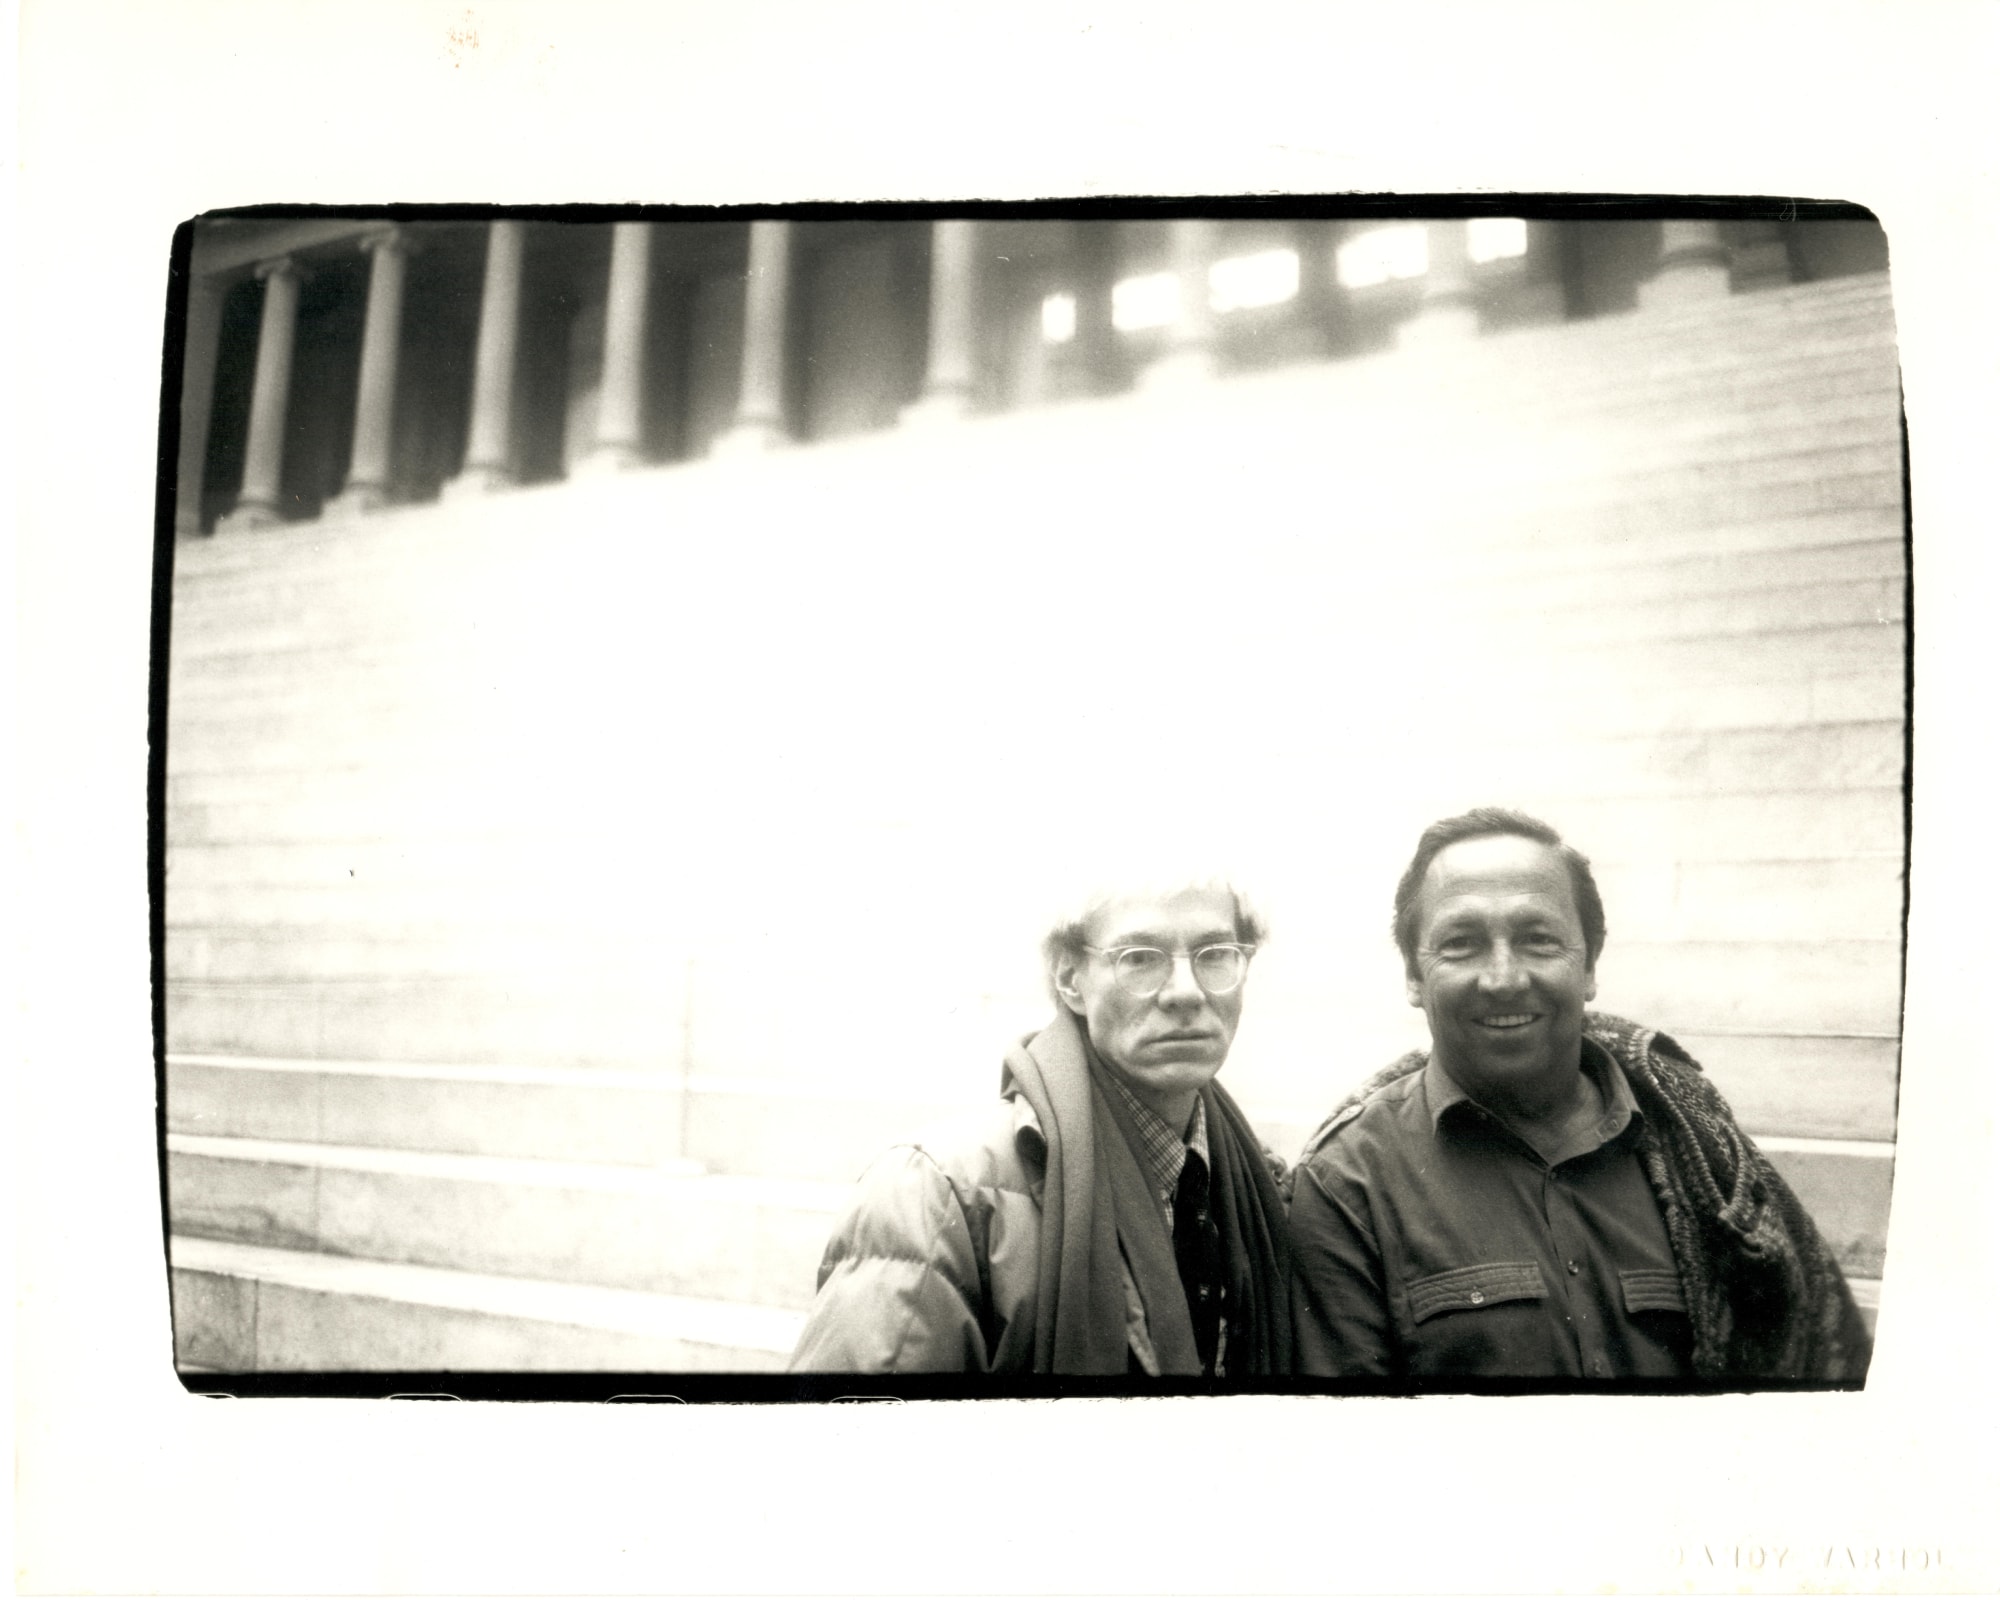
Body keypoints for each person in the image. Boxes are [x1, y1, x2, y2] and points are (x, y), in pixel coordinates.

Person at [1289, 807, 1872, 1383]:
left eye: (1538, 940)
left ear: (1590, 964)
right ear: (1414, 976)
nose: (1503, 978)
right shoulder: (1347, 1183)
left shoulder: (1697, 1150)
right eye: (1462, 944)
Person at [790, 877, 1291, 1375]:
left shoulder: (1260, 1182)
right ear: (1070, 979)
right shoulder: (937, 1194)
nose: (1187, 991)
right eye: (1139, 957)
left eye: (1215, 953)